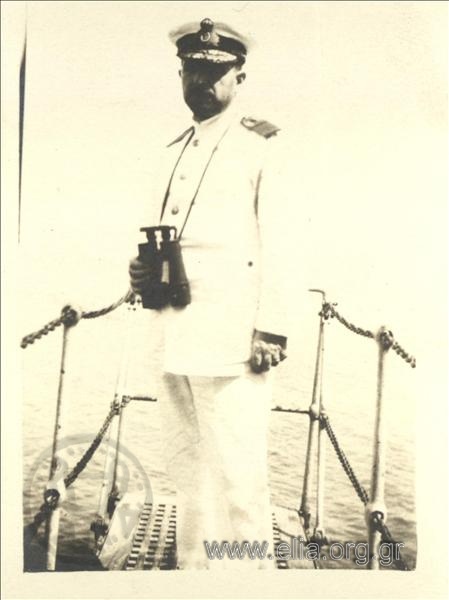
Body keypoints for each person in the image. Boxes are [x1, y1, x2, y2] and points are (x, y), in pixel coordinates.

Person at [129, 17, 295, 569]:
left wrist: (271, 326)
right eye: (192, 70)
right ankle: (196, 576)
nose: (201, 82)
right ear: (181, 72)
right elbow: (165, 238)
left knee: (239, 480)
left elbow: (284, 241)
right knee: (188, 474)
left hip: (230, 342)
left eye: (214, 72)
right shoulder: (172, 148)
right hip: (173, 334)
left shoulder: (260, 145)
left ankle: (248, 579)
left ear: (238, 75)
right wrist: (137, 274)